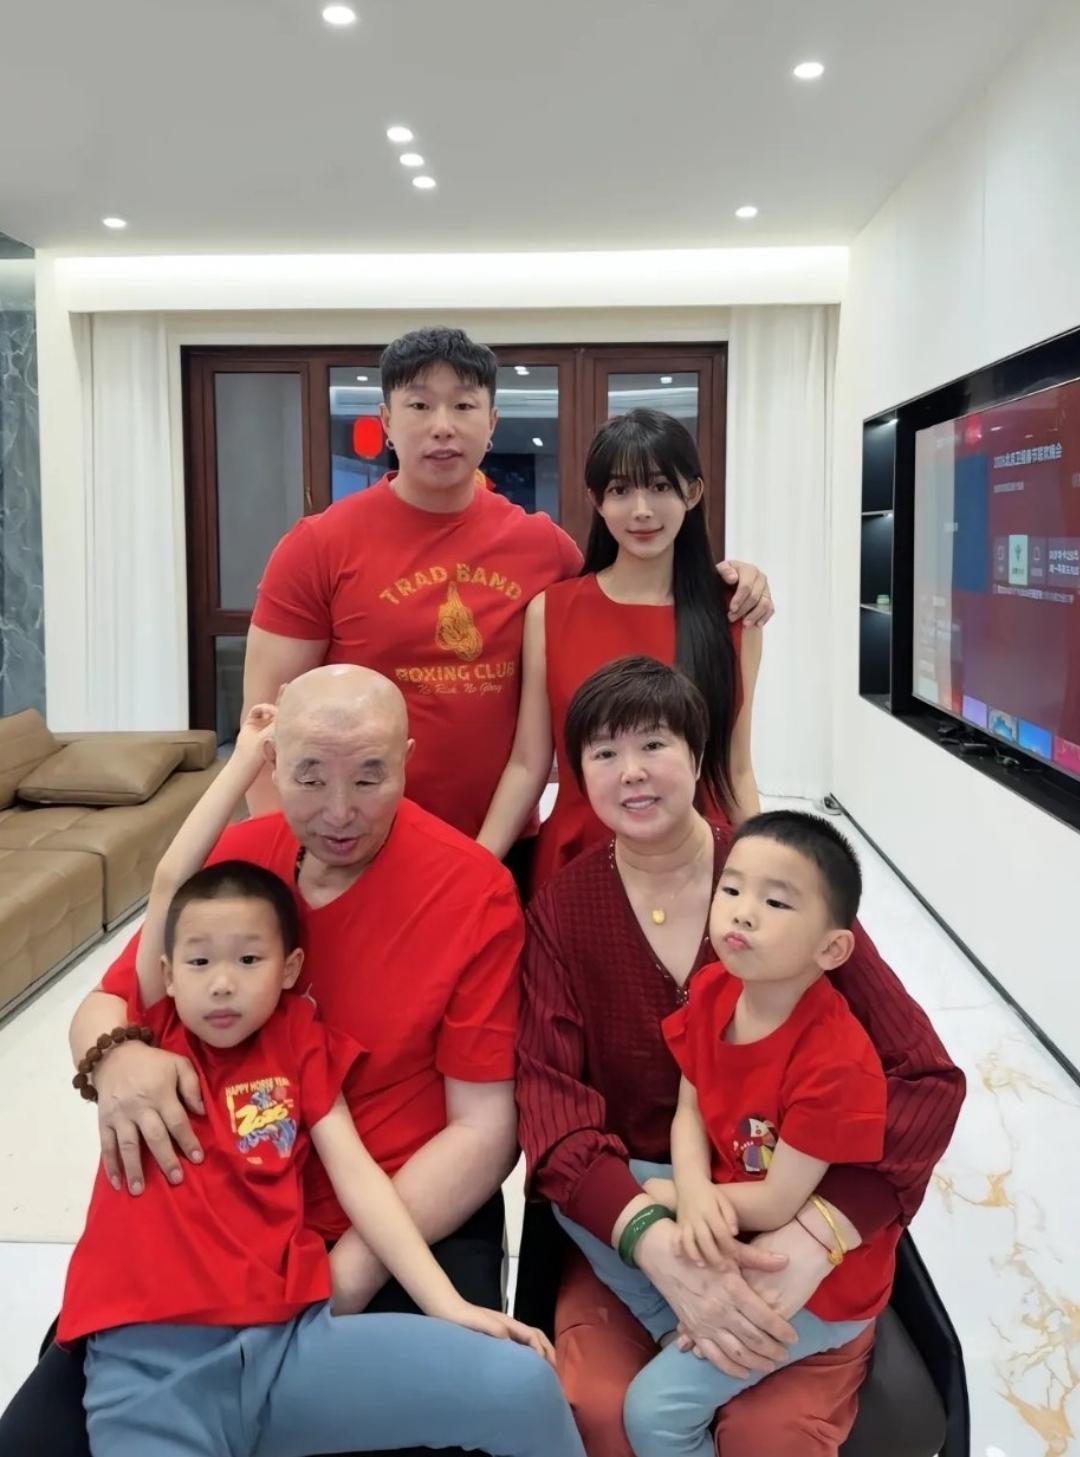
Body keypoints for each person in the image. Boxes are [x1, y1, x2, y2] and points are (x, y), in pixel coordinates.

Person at [0, 665, 524, 1457]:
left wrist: (343, 1279)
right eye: (309, 777)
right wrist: (114, 1058)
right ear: (273, 765)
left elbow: (484, 1129)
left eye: (369, 777)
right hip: (216, 1228)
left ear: (407, 760)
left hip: (394, 1219)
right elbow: (116, 997)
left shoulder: (472, 889)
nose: (339, 811)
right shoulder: (241, 859)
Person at [515, 658, 966, 1457]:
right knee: (601, 1409)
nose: (632, 771)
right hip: (646, 1216)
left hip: (791, 1210)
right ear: (577, 773)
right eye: (604, 752)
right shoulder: (563, 906)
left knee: (768, 1432)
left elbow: (925, 1079)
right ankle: (686, 1322)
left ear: (699, 753)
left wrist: (820, 1233)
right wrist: (658, 1245)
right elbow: (553, 1113)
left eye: (654, 743)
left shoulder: (776, 883)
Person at [242, 329, 772, 856]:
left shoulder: (542, 547)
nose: (443, 426)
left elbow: (632, 585)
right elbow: (266, 727)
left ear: (492, 421)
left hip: (506, 845)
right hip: (357, 840)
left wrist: (728, 580)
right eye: (420, 405)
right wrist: (279, 858)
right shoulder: (317, 546)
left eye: (463, 405)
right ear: (386, 420)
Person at [554, 811, 898, 1457]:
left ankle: (713, 1326)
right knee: (587, 1195)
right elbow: (689, 1109)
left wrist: (683, 1199)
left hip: (811, 1281)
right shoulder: (715, 988)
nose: (742, 912)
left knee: (652, 1413)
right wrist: (687, 1188)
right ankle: (678, 1320)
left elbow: (778, 1203)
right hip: (726, 1207)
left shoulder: (835, 1061)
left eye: (775, 902)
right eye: (732, 888)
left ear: (832, 949)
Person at [478, 408, 761, 889]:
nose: (642, 510)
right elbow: (528, 764)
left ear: (692, 493)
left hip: (698, 865)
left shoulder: (732, 615)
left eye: (661, 486)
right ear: (597, 500)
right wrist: (475, 864)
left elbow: (735, 769)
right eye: (621, 490)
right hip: (578, 862)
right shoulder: (552, 611)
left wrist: (768, 867)